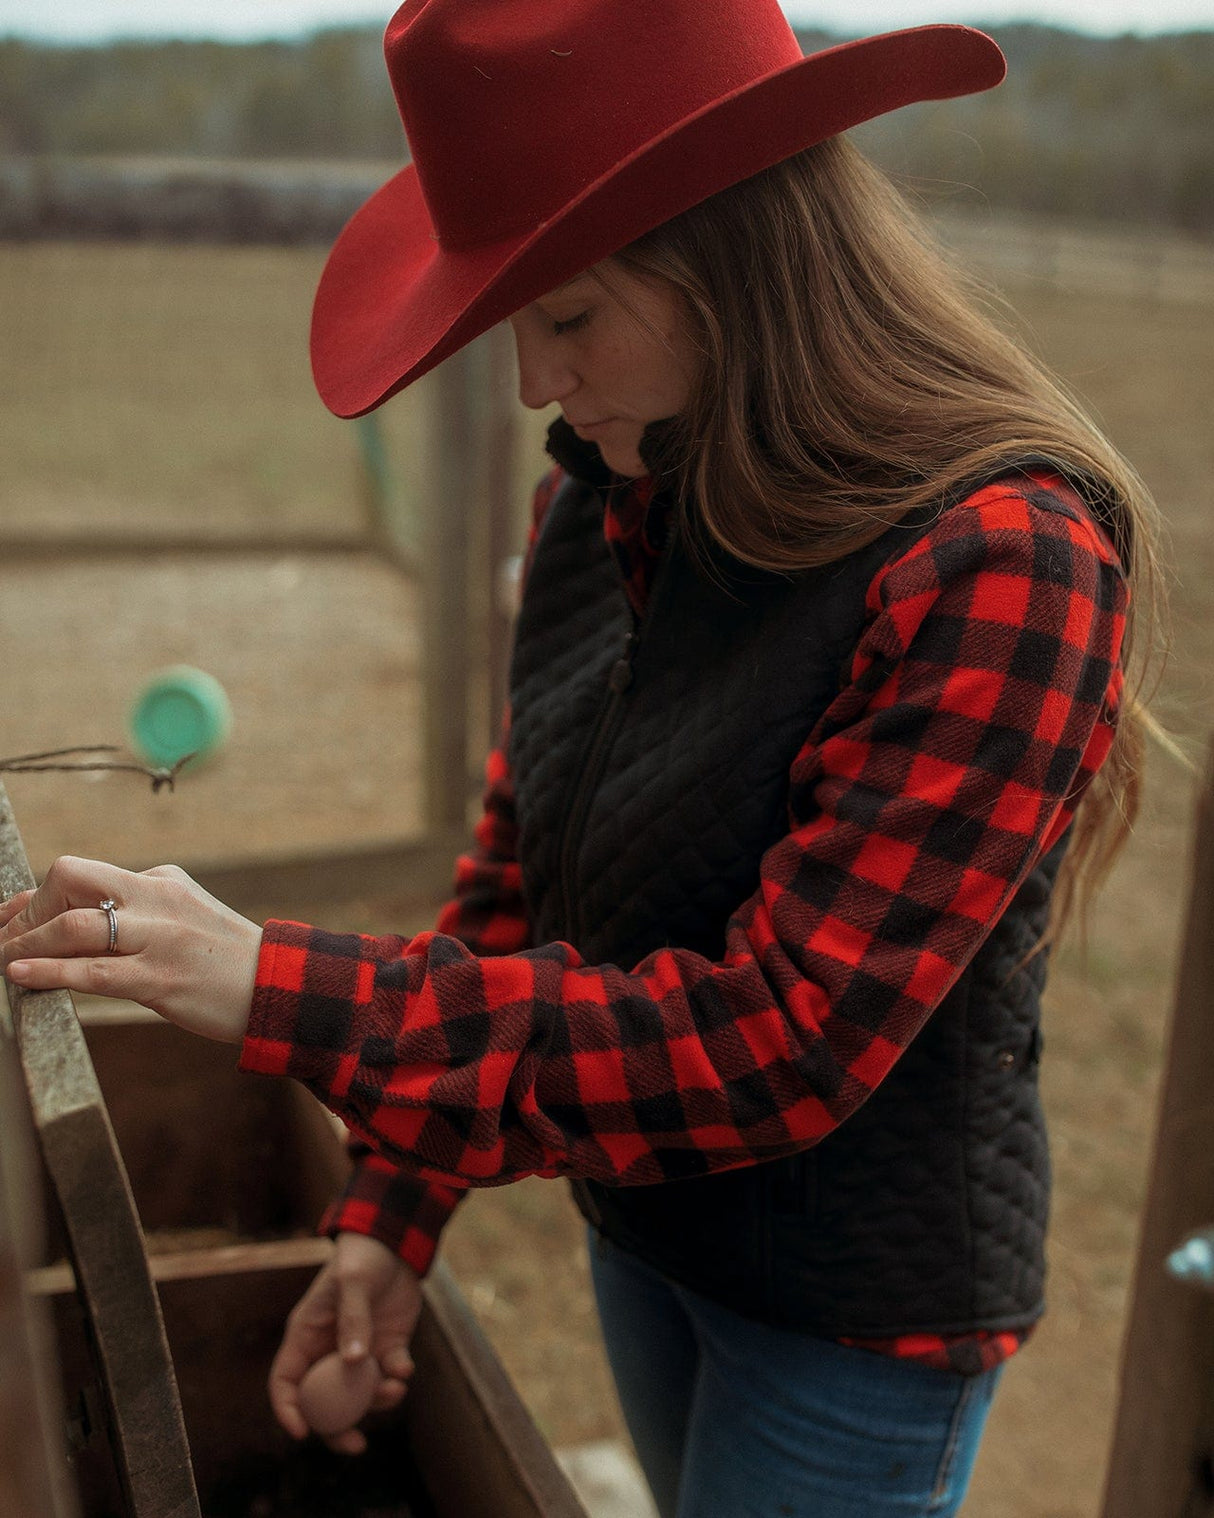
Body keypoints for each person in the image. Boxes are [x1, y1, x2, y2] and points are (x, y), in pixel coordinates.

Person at [0, 2, 1162, 1514]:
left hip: (848, 1315)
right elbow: (522, 878)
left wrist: (269, 981)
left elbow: (780, 1041)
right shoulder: (610, 493)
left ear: (740, 265)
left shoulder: (1003, 566)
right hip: (649, 1230)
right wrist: (390, 1211)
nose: (539, 384)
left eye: (570, 316)